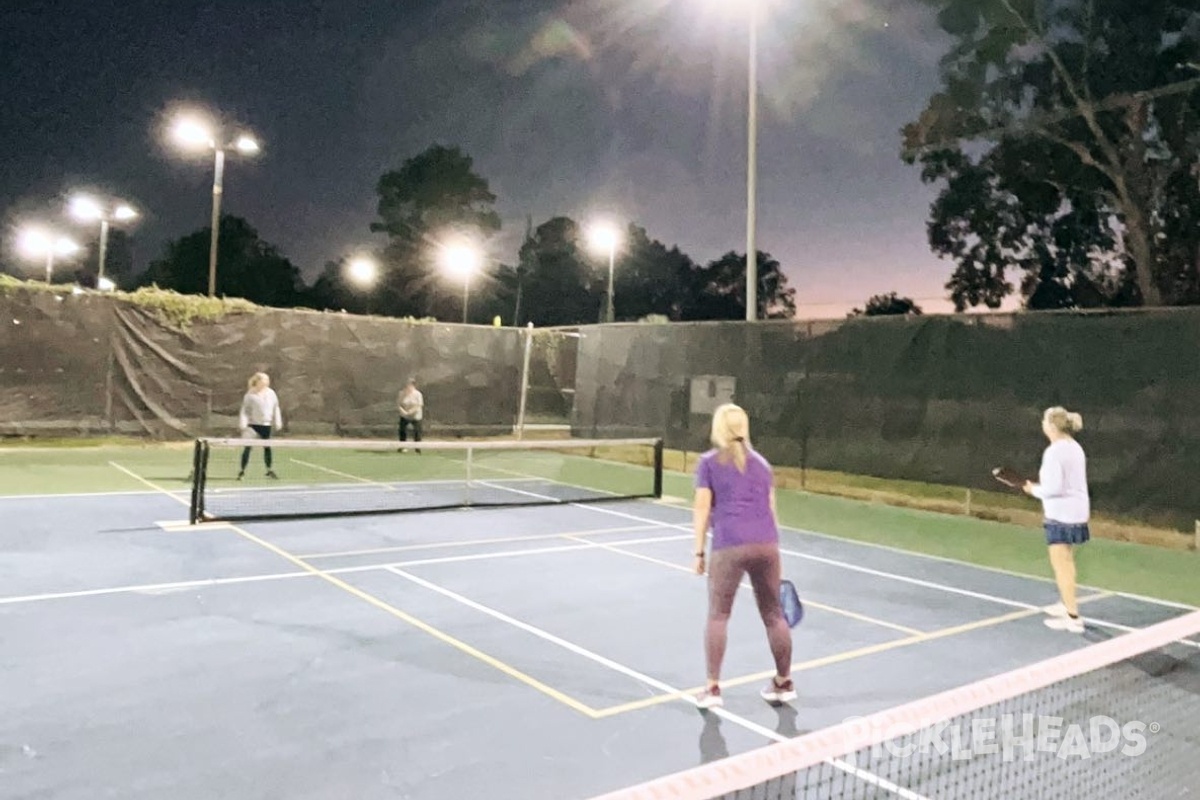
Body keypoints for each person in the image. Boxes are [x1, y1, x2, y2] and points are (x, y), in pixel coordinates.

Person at [691, 403, 794, 709]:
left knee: (718, 615)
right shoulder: (763, 464)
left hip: (730, 545)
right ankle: (784, 682)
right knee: (774, 615)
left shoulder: (708, 463)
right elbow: (772, 512)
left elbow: (701, 509)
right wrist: (776, 552)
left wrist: (698, 551)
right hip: (767, 546)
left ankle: (712, 690)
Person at [1024, 406, 1090, 634]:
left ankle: (1073, 618)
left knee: (1061, 565)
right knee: (1066, 562)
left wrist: (1033, 490)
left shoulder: (1054, 452)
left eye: (1044, 420)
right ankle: (1066, 604)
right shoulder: (1074, 447)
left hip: (1062, 514)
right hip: (1076, 512)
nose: (1042, 424)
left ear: (1051, 426)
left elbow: (1054, 488)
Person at [237, 372, 282, 480]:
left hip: (266, 425)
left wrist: (278, 421)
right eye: (264, 380)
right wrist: (243, 422)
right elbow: (245, 410)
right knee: (247, 448)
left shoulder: (271, 393)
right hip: (252, 425)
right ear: (258, 381)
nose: (266, 382)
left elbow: (276, 407)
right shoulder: (250, 395)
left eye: (267, 380)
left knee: (267, 447)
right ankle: (242, 471)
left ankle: (269, 470)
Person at [397, 377, 424, 453]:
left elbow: (419, 405)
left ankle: (417, 448)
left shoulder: (418, 394)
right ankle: (402, 447)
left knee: (417, 432)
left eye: (411, 385)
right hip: (404, 416)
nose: (409, 386)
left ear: (413, 386)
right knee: (402, 430)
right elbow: (399, 404)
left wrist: (410, 412)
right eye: (407, 384)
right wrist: (404, 412)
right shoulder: (401, 393)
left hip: (416, 416)